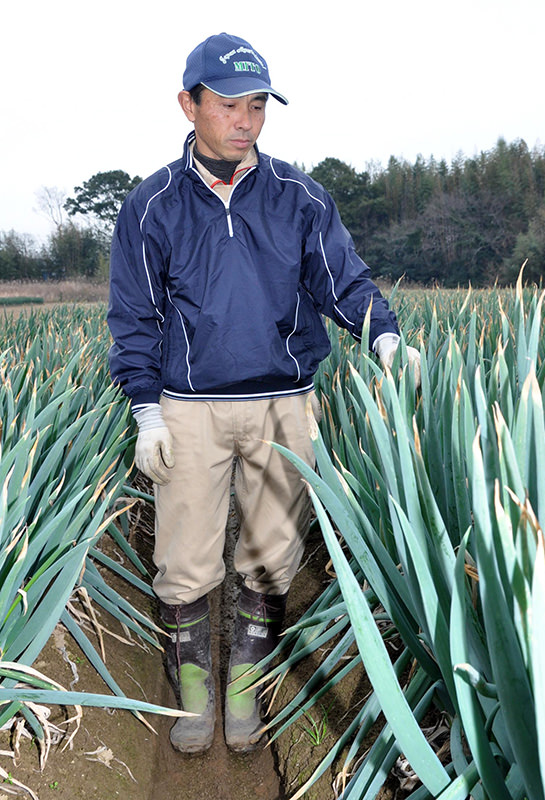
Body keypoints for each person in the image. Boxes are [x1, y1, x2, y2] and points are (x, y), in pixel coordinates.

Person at [107, 31, 420, 755]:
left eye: (257, 106)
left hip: (285, 402)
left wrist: (384, 337)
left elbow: (345, 281)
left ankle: (243, 686)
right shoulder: (151, 206)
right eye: (227, 105)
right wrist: (146, 410)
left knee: (273, 551)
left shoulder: (298, 197)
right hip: (189, 408)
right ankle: (193, 695)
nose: (244, 120)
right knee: (184, 557)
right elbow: (134, 316)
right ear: (188, 105)